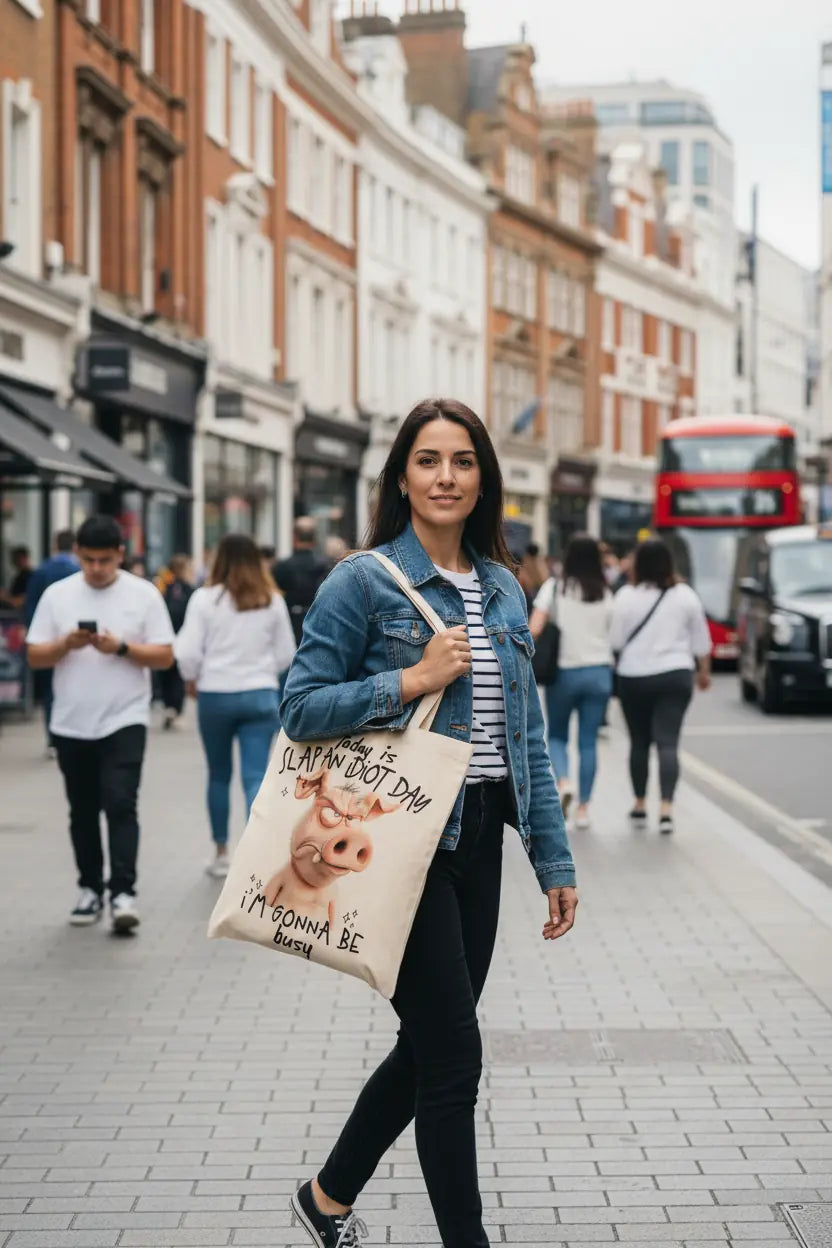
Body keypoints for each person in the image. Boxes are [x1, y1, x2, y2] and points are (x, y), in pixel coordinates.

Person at [280, 398, 577, 1248]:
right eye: (428, 460)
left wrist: (553, 860)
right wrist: (409, 681)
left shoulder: (505, 589)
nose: (446, 477)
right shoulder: (361, 581)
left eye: (462, 461)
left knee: (429, 1045)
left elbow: (527, 741)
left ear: (484, 480)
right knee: (454, 1058)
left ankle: (326, 1198)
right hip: (398, 838)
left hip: (478, 837)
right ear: (402, 478)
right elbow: (299, 708)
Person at [25, 516, 175, 930]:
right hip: (71, 722)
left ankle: (123, 892)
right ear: (77, 553)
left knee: (121, 803)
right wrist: (65, 644)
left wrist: (121, 647)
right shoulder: (58, 595)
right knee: (83, 810)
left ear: (120, 555)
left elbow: (165, 656)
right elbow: (35, 656)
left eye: (104, 560)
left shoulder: (144, 594)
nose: (95, 568)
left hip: (125, 718)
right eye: (88, 560)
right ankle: (89, 888)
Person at [174, 534, 296, 879]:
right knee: (255, 776)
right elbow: (286, 653)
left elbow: (187, 652)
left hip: (215, 693)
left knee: (218, 774)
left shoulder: (204, 600)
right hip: (260, 693)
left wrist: (191, 678)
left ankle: (221, 853)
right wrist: (264, 672)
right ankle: (254, 855)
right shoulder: (271, 599)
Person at [610, 538, 712, 835]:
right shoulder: (685, 596)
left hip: (634, 676)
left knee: (639, 742)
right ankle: (666, 809)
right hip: (675, 675)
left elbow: (615, 641)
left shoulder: (625, 597)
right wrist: (704, 673)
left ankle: (640, 803)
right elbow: (701, 641)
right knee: (668, 743)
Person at [529, 535, 613, 830]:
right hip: (599, 673)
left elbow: (534, 628)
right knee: (588, 741)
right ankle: (584, 810)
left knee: (557, 736)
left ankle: (563, 782)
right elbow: (613, 634)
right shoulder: (605, 592)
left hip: (564, 673)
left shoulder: (555, 587)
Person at [24, 530, 79, 757]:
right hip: (78, 641)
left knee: (49, 690)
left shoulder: (42, 571)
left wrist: (32, 635)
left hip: (47, 640)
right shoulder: (78, 571)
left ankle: (53, 739)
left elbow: (30, 606)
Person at [273, 517, 328, 646]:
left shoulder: (282, 566)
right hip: (319, 622)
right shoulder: (325, 566)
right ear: (314, 539)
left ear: (294, 538)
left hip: (290, 623)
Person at [160, 554, 194, 729]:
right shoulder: (189, 590)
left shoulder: (165, 587)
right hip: (182, 637)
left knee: (167, 674)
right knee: (177, 677)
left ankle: (169, 707)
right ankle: (176, 710)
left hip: (166, 637)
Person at [0, 545, 32, 611]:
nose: (15, 561)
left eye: (18, 558)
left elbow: (22, 600)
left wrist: (5, 598)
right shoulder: (19, 576)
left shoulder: (30, 576)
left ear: (25, 558)